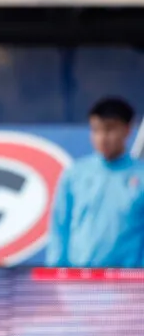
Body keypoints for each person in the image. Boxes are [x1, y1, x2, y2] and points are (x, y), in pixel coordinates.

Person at [47, 96, 144, 267]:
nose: (102, 137)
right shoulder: (75, 174)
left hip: (130, 282)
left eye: (110, 129)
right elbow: (59, 227)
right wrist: (56, 272)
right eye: (96, 130)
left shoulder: (140, 175)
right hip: (79, 280)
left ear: (127, 130)